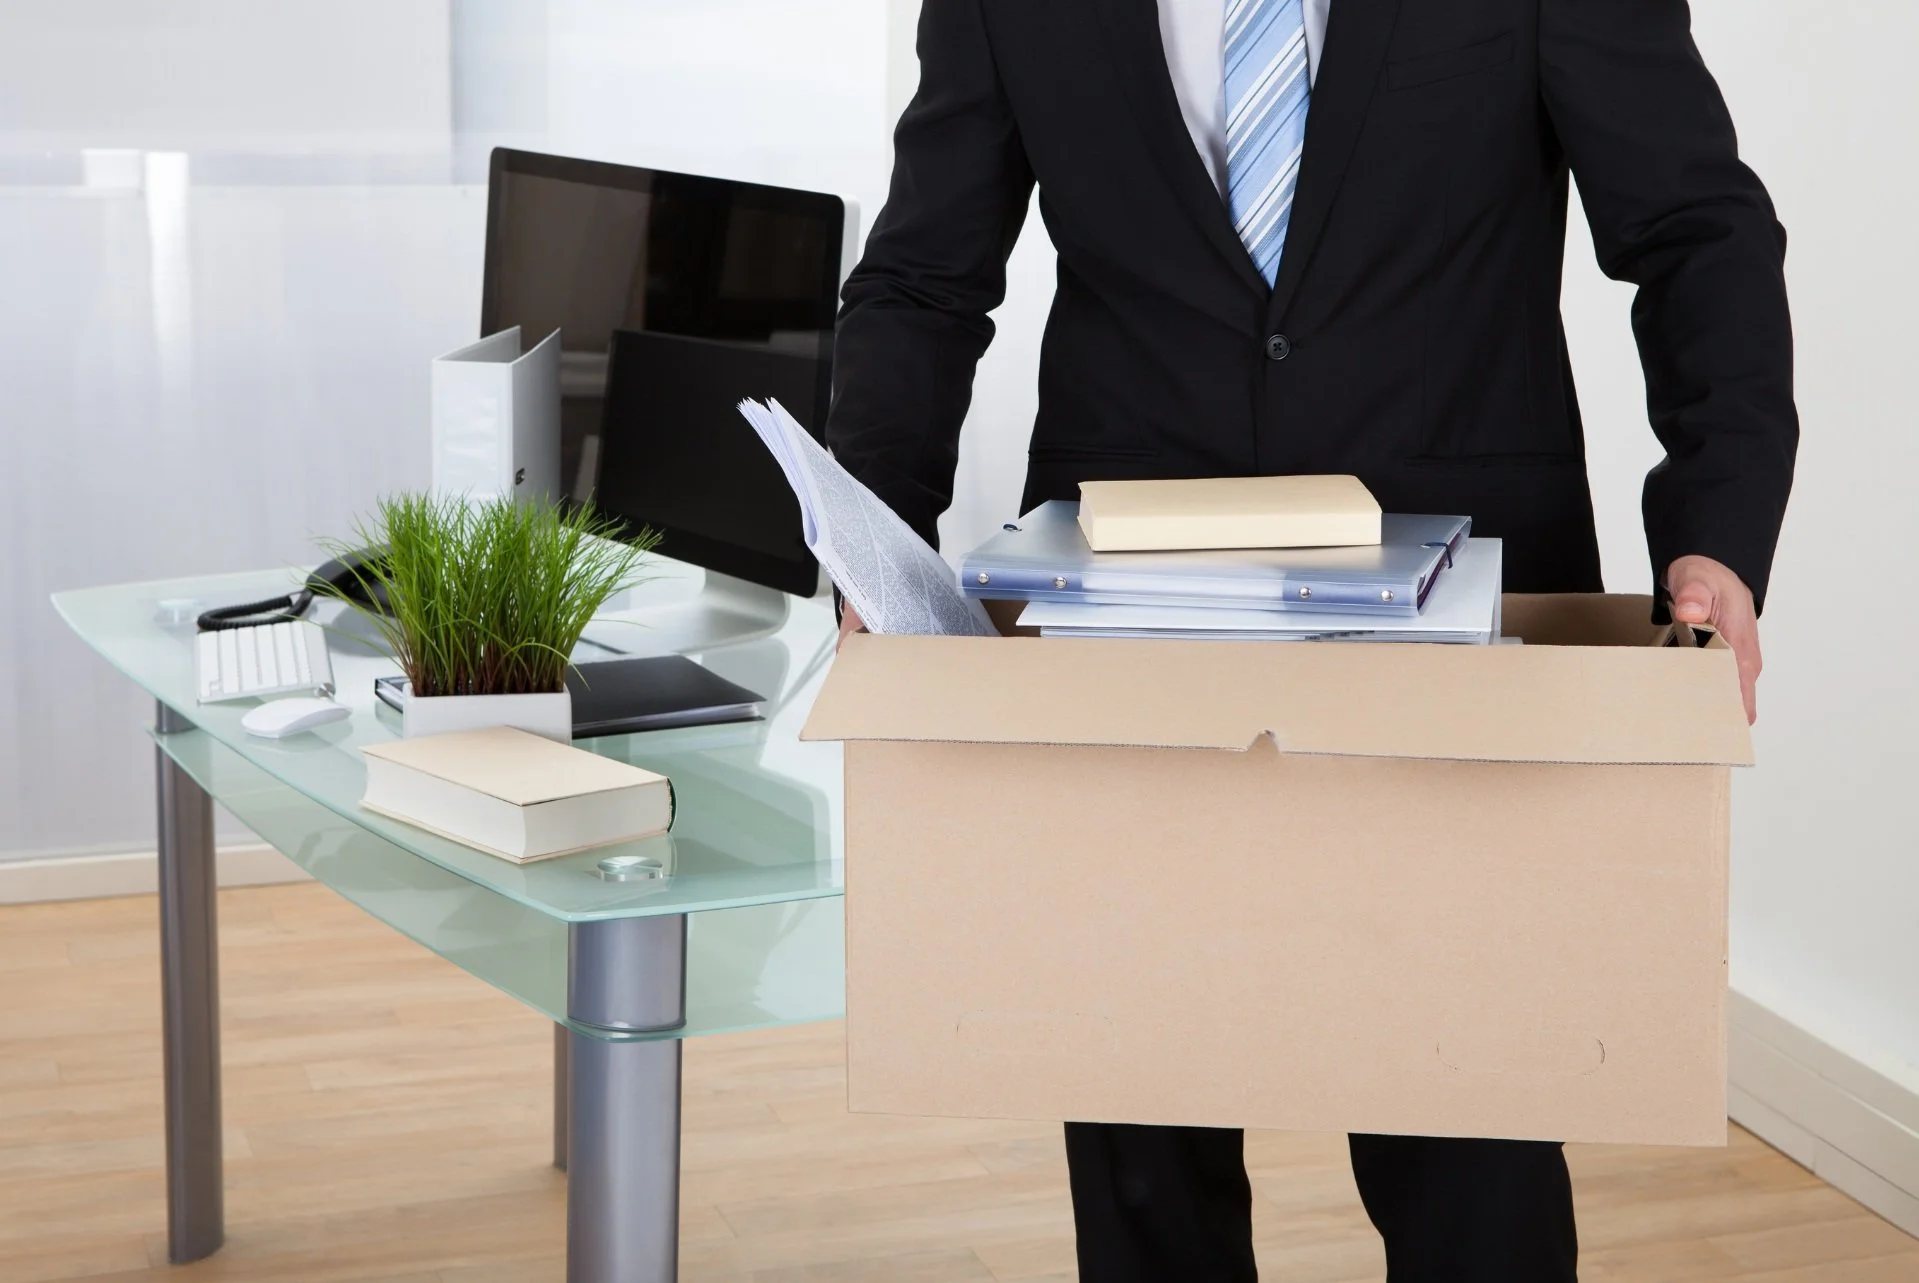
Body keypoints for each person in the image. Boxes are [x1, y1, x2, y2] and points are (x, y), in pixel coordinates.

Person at [825, 0, 1797, 1278]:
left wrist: (1715, 526)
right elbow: (922, 274)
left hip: (1461, 636)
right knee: (1140, 1141)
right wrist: (867, 540)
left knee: (1466, 1143)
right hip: (1124, 624)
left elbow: (1692, 230)